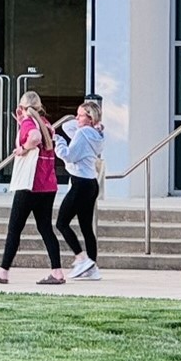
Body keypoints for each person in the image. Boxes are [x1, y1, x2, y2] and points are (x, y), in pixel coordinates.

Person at [0, 91, 62, 285]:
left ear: (20, 109)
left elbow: (34, 137)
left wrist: (23, 148)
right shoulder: (46, 123)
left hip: (29, 184)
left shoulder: (29, 123)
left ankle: (3, 271)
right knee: (45, 227)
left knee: (14, 228)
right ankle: (57, 271)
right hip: (48, 185)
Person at [55, 100, 105, 280]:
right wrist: (85, 122)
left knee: (61, 222)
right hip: (91, 183)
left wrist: (58, 141)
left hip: (80, 183)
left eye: (80, 115)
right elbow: (70, 126)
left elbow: (69, 156)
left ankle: (82, 258)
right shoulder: (96, 134)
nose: (76, 118)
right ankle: (92, 266)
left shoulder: (83, 133)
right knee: (86, 227)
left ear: (90, 118)